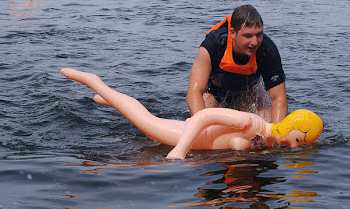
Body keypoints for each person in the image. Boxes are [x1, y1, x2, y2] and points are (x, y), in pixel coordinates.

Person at [60, 68, 323, 160]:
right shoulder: (251, 122)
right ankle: (96, 83)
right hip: (189, 135)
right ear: (291, 129)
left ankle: (111, 101)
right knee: (143, 120)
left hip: (201, 142)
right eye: (298, 140)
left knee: (140, 115)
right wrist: (180, 150)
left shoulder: (267, 140)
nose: (294, 146)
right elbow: (203, 117)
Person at [187, 5, 287, 123]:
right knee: (207, 112)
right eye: (248, 36)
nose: (255, 42)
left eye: (259, 34)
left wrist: (277, 134)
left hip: (248, 91)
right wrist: (201, 127)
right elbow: (194, 91)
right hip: (214, 92)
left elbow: (278, 97)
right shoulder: (214, 45)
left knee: (266, 120)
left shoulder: (267, 49)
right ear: (233, 33)